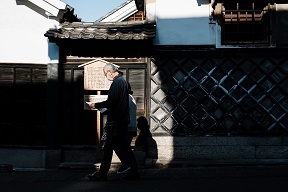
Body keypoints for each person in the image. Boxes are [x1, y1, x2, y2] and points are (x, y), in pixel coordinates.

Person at [87, 63, 139, 181]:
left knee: (116, 147)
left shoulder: (117, 83)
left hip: (116, 122)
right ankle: (127, 170)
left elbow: (112, 102)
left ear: (110, 72)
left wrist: (96, 105)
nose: (106, 76)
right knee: (113, 147)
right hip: (120, 121)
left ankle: (126, 168)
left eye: (106, 74)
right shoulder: (123, 82)